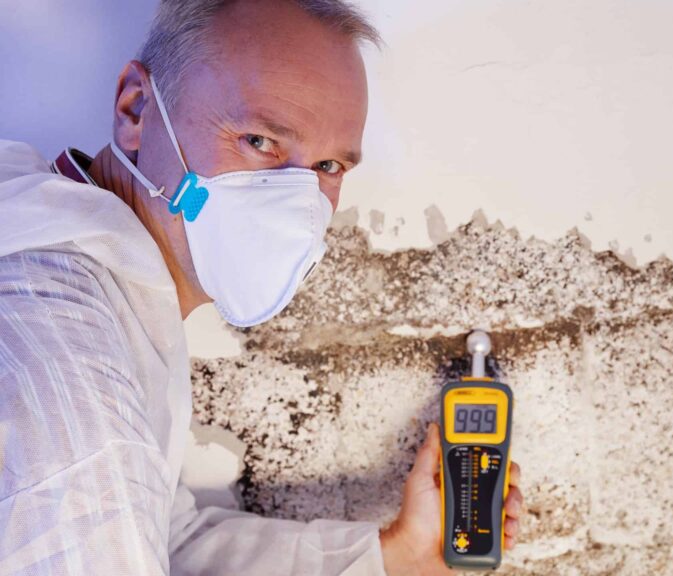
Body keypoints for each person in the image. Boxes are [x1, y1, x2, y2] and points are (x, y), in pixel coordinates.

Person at [0, 0, 524, 574]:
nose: (294, 203)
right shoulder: (66, 358)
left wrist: (397, 553)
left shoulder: (96, 267)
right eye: (259, 141)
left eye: (327, 166)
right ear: (136, 111)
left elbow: (166, 540)